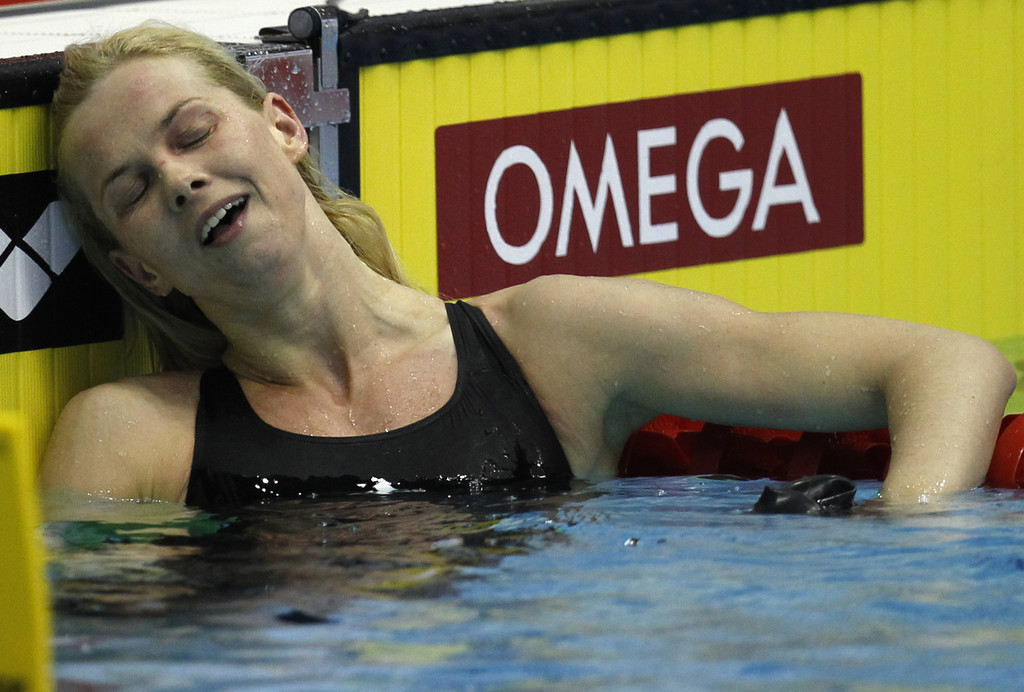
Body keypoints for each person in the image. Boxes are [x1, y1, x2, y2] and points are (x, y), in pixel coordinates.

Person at [40, 23, 1016, 507]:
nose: (180, 179)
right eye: (133, 189)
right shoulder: (132, 440)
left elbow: (951, 363)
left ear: (286, 127)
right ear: (143, 269)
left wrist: (914, 539)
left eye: (193, 132)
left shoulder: (549, 341)